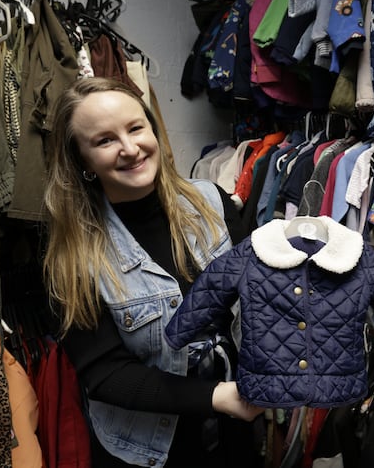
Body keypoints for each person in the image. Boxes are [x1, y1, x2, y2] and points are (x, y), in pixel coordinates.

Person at [42, 77, 264, 467]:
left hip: (234, 434)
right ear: (82, 162)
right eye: (105, 140)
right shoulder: (74, 254)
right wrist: (218, 396)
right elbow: (106, 374)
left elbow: (258, 296)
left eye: (135, 128)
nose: (130, 149)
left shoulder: (211, 202)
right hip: (146, 451)